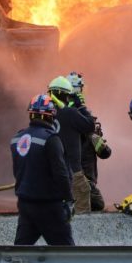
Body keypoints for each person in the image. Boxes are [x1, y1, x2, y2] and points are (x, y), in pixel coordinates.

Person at [11, 94, 75, 246]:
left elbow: (18, 171)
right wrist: (69, 200)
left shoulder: (17, 138)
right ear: (50, 116)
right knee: (68, 255)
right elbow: (61, 173)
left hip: (25, 205)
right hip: (49, 207)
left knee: (20, 252)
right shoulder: (51, 139)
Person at [47, 75, 95, 213]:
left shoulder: (44, 113)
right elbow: (89, 125)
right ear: (66, 95)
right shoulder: (70, 113)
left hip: (50, 171)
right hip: (72, 172)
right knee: (81, 200)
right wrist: (81, 105)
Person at [67, 71, 112, 212]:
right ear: (79, 89)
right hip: (83, 178)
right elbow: (105, 153)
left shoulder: (62, 115)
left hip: (66, 176)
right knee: (96, 204)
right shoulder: (84, 118)